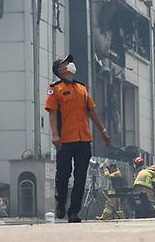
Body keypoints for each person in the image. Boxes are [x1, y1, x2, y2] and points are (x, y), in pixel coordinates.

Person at [45, 54, 110, 223]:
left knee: (80, 177)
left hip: (83, 140)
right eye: (66, 63)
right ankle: (60, 203)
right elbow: (52, 113)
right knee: (63, 175)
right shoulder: (55, 89)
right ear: (60, 70)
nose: (70, 64)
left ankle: (74, 212)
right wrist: (54, 134)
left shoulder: (82, 88)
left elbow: (91, 111)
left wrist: (102, 131)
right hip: (65, 140)